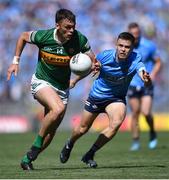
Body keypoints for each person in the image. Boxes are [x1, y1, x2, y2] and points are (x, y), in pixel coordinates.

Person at [7, 9, 96, 170]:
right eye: (67, 27)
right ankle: (36, 144)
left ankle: (27, 159)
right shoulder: (44, 36)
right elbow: (22, 37)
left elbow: (92, 61)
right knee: (58, 108)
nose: (71, 31)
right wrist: (15, 61)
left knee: (51, 132)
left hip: (62, 88)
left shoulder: (80, 39)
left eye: (73, 27)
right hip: (42, 82)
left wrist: (76, 80)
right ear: (57, 25)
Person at [59, 32, 151, 168]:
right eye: (120, 45)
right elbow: (89, 69)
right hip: (97, 97)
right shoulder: (104, 56)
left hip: (116, 99)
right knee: (82, 129)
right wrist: (75, 80)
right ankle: (70, 143)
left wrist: (146, 79)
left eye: (127, 47)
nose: (123, 49)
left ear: (132, 49)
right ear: (116, 45)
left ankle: (90, 154)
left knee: (116, 122)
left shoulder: (136, 58)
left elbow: (143, 74)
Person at [127, 23, 162, 151]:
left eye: (137, 34)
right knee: (135, 113)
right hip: (132, 84)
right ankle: (136, 141)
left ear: (140, 33)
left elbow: (158, 62)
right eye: (133, 34)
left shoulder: (149, 46)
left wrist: (152, 74)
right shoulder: (126, 46)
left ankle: (152, 131)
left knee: (146, 112)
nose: (135, 37)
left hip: (146, 83)